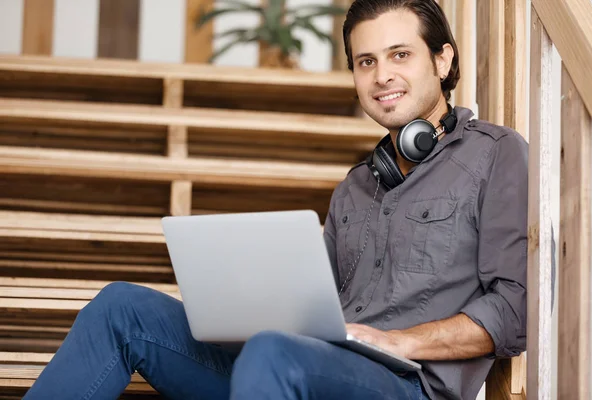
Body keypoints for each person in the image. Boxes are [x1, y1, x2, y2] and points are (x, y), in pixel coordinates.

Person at [24, 1, 529, 399]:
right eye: (366, 61)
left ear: (442, 59)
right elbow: (314, 309)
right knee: (122, 308)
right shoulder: (356, 186)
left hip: (404, 385)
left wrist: (398, 341)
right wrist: (234, 310)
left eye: (401, 55)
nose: (381, 76)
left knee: (272, 353)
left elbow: (511, 310)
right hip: (298, 369)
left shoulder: (496, 155)